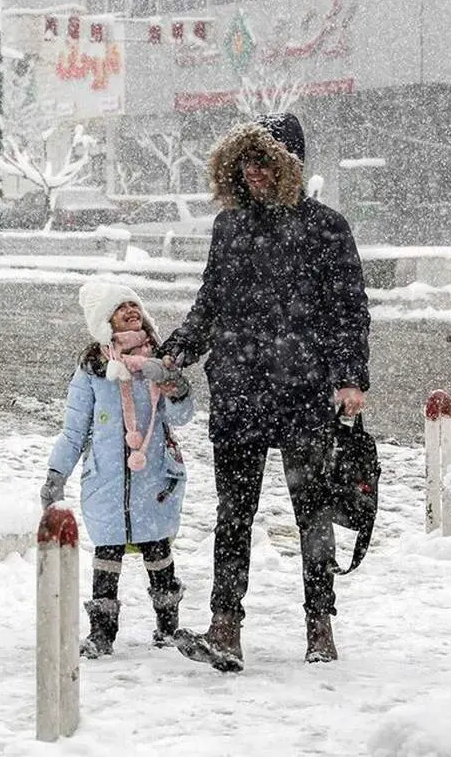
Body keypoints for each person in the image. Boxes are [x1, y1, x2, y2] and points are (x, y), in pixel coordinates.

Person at [158, 112, 371, 672]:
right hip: (239, 391)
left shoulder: (327, 228)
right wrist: (180, 347)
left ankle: (319, 623)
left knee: (313, 513)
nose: (252, 173)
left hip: (304, 392)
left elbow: (349, 311)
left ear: (287, 168)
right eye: (245, 162)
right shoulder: (229, 228)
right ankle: (225, 625)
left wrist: (350, 377)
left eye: (264, 162)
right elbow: (211, 302)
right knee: (234, 512)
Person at [42, 282, 195, 658]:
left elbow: (181, 415)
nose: (130, 310)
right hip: (107, 478)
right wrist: (56, 473)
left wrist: (173, 384)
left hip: (154, 474)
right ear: (103, 321)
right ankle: (102, 633)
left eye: (133, 304)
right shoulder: (93, 369)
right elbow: (75, 429)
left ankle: (167, 626)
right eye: (120, 307)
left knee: (158, 549)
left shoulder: (158, 360)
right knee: (107, 554)